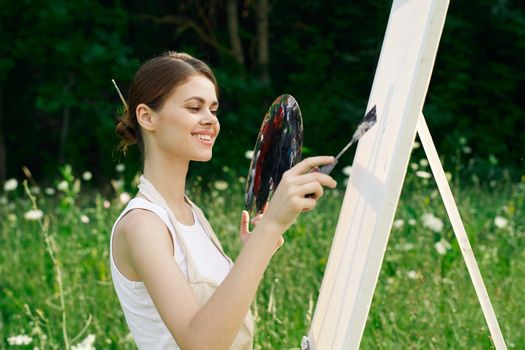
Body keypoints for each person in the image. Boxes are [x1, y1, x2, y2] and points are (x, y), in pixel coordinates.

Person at [110, 51, 337, 350]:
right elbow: (200, 343)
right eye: (194, 107)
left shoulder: (192, 214)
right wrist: (269, 228)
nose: (211, 121)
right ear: (147, 117)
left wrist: (260, 245)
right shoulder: (142, 225)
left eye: (213, 109)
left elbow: (224, 322)